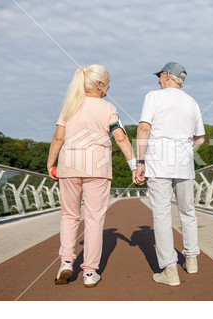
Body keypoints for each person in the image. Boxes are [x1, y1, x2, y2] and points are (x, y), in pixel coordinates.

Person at [47, 64, 137, 288]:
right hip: (98, 169)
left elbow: (58, 138)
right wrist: (134, 166)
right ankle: (89, 273)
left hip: (68, 166)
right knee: (95, 219)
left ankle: (66, 261)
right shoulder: (108, 108)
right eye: (107, 82)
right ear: (99, 85)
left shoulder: (69, 107)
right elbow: (121, 138)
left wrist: (50, 164)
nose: (109, 86)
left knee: (69, 216)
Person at [136, 62, 205, 286]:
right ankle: (192, 260)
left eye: (160, 76)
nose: (158, 80)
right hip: (184, 163)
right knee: (188, 211)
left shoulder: (153, 97)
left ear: (167, 75)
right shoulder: (192, 102)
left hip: (158, 162)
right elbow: (200, 138)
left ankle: (170, 270)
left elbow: (144, 128)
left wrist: (140, 161)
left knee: (162, 215)